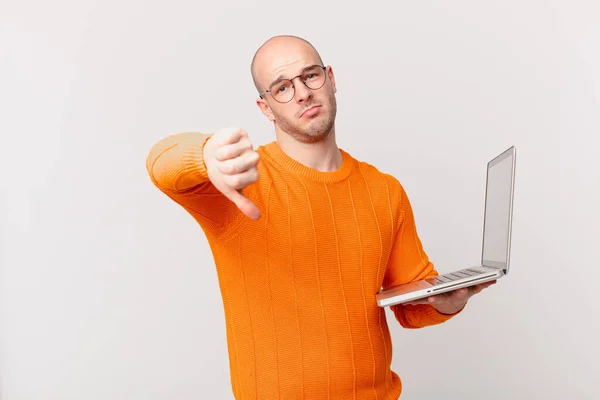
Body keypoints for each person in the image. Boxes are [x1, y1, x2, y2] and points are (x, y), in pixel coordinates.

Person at [145, 35, 495, 400]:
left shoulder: (384, 190)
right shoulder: (242, 179)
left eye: (310, 76)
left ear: (330, 78)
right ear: (265, 108)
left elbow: (412, 304)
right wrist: (205, 155)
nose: (301, 93)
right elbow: (159, 162)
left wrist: (448, 303)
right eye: (282, 87)